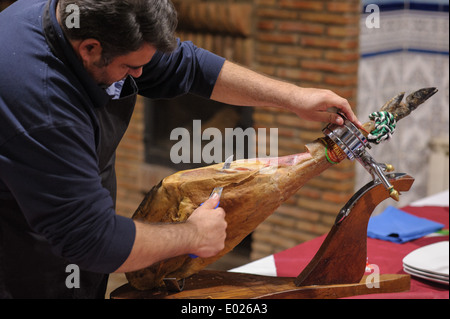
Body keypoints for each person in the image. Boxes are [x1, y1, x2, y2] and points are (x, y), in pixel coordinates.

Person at [0, 0, 361, 299]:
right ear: (90, 49)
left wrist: (294, 98)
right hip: (26, 263)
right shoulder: (44, 107)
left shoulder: (83, 21)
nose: (140, 76)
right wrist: (194, 235)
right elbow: (92, 239)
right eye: (130, 68)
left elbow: (186, 65)